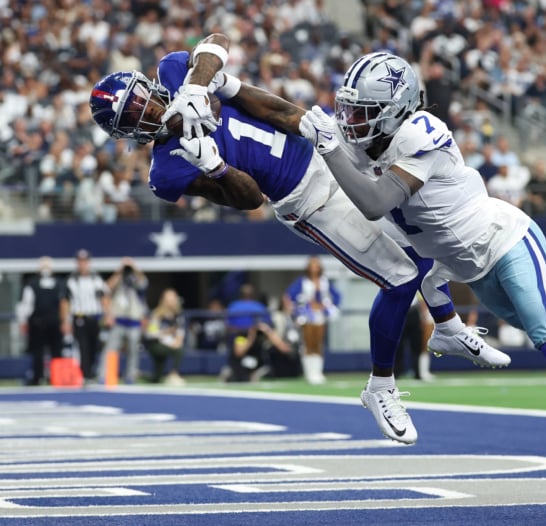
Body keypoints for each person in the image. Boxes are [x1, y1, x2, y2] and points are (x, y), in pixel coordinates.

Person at [233, 50, 546, 505]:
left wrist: (329, 148)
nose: (350, 121)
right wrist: (228, 87)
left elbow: (374, 203)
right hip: (470, 265)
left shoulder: (419, 134)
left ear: (394, 109)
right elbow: (288, 114)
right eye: (349, 109)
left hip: (505, 241)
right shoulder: (367, 136)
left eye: (362, 111)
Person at [89, 34, 509, 445]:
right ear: (130, 134)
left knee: (422, 235)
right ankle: (380, 387)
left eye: (141, 99)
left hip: (325, 146)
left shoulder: (175, 72)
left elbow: (217, 41)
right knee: (399, 278)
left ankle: (448, 326)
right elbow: (249, 200)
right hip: (307, 200)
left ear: (146, 83)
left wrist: (196, 88)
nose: (147, 109)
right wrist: (216, 167)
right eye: (134, 115)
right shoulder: (167, 170)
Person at [283, 256, 340, 384]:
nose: (315, 268)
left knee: (318, 343)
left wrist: (330, 306)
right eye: (312, 266)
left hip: (320, 314)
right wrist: (293, 309)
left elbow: (336, 296)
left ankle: (318, 372)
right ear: (308, 268)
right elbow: (289, 295)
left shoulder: (325, 282)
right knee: (308, 343)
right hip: (307, 315)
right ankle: (309, 372)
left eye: (317, 266)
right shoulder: (302, 281)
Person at [60, 249, 111, 382]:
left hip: (94, 317)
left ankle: (91, 372)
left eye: (85, 261)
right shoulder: (71, 280)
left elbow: (104, 297)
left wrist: (108, 314)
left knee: (94, 346)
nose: (83, 264)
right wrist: (65, 320)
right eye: (80, 261)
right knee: (83, 346)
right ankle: (85, 374)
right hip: (79, 317)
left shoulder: (96, 279)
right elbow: (65, 301)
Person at [225, 283, 291, 382]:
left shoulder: (236, 306)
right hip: (242, 337)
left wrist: (257, 331)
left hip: (256, 338)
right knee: (240, 352)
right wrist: (250, 333)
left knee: (267, 338)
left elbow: (266, 326)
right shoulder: (256, 307)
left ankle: (259, 369)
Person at [16, 256, 65, 385]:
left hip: (54, 322)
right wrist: (23, 320)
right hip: (38, 322)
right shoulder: (32, 283)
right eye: (43, 266)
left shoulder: (59, 284)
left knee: (56, 351)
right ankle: (37, 376)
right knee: (37, 351)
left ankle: (56, 376)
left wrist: (65, 321)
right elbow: (26, 304)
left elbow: (63, 303)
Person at [101, 257, 148, 384]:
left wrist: (134, 267)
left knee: (133, 350)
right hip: (118, 319)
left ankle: (130, 376)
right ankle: (104, 375)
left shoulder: (136, 279)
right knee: (111, 349)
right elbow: (106, 288)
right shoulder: (119, 278)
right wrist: (120, 270)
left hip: (134, 320)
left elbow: (144, 282)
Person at [144, 287, 186, 385]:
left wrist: (177, 342)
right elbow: (150, 334)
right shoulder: (157, 314)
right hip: (156, 345)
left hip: (171, 344)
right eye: (168, 300)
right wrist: (165, 332)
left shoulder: (178, 315)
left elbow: (180, 333)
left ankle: (173, 374)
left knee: (179, 350)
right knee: (156, 378)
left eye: (173, 299)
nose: (171, 302)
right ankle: (142, 374)